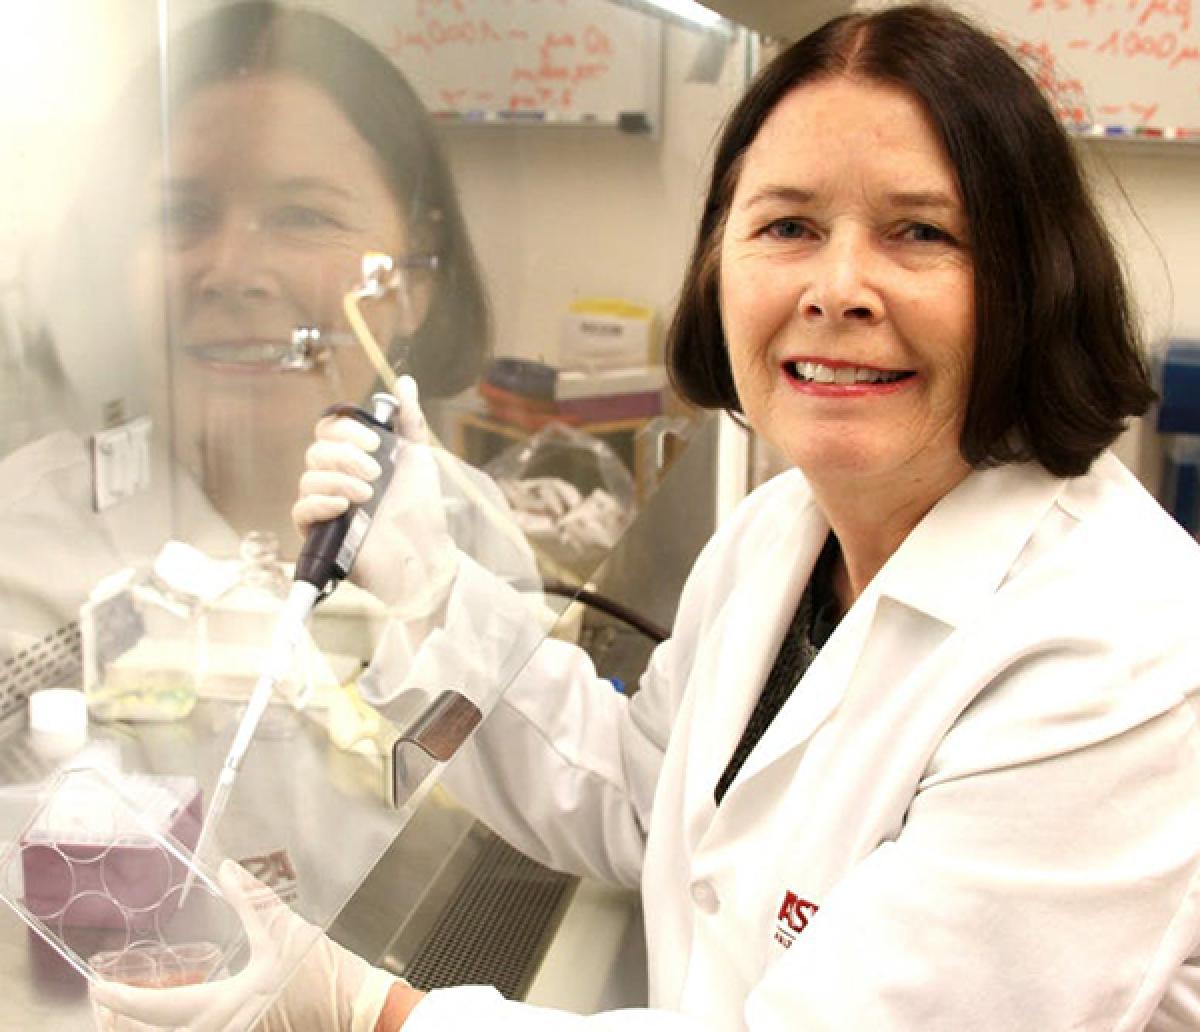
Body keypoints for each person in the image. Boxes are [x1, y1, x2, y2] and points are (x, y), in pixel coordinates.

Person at [94, 3, 1200, 1030]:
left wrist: (357, 1005)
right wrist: (433, 595)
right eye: (788, 227)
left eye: (920, 233)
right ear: (720, 265)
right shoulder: (780, 534)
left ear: (1031, 277)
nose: (839, 288)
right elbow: (641, 799)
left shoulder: (1120, 650)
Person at [0, 0, 492, 653]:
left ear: (416, 278)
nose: (233, 271)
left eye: (303, 216)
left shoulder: (465, 529)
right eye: (183, 214)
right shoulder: (23, 551)